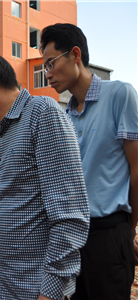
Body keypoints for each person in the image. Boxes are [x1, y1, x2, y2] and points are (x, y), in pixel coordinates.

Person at [0, 49, 90, 300]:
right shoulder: (5, 131)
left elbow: (70, 217)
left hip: (31, 289)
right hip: (2, 285)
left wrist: (49, 293)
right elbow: (7, 189)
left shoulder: (42, 114)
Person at [40, 23, 138, 300]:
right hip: (72, 238)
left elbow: (137, 168)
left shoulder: (120, 95)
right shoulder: (65, 118)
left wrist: (128, 230)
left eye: (50, 63)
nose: (47, 74)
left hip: (109, 232)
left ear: (75, 54)